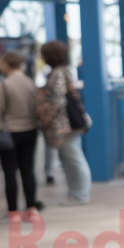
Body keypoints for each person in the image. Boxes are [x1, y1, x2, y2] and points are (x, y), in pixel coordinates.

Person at [38, 40, 91, 205]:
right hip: (65, 124)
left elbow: (57, 100)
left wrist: (42, 111)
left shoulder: (58, 73)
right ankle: (75, 193)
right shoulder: (61, 71)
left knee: (74, 158)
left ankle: (80, 195)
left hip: (65, 125)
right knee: (69, 159)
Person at [0, 50, 42, 223]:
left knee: (10, 173)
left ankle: (13, 213)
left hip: (9, 133)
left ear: (6, 64)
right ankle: (32, 209)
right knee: (27, 170)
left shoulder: (3, 85)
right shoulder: (30, 83)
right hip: (30, 131)